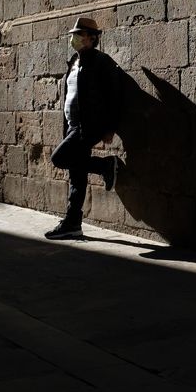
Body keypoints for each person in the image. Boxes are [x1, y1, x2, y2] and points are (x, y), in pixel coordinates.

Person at [45, 17, 121, 240]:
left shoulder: (101, 62)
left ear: (92, 38)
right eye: (74, 35)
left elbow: (115, 96)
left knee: (59, 158)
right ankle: (72, 223)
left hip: (88, 126)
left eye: (79, 35)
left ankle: (107, 164)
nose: (74, 39)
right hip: (72, 126)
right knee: (77, 175)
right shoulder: (74, 62)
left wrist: (110, 127)